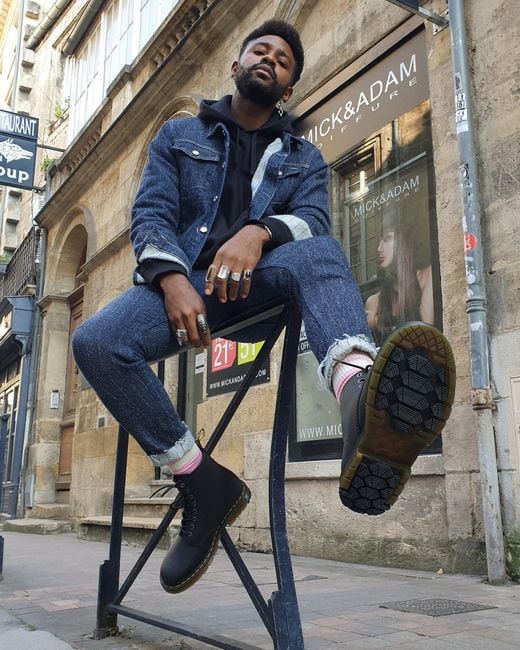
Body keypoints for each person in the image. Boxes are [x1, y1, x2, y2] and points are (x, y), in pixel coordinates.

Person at [72, 20, 455, 595]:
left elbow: (313, 222)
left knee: (321, 249)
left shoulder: (304, 157)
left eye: (282, 60)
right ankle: (200, 479)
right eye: (261, 50)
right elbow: (151, 215)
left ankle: (360, 401)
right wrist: (172, 279)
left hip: (261, 287)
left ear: (288, 88)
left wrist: (258, 233)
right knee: (94, 341)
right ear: (236, 66)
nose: (270, 60)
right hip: (185, 289)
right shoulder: (178, 135)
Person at [365, 211, 434, 344]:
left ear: (403, 241)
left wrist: (377, 321)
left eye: (387, 238)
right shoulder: (374, 301)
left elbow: (427, 335)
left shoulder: (426, 277)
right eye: (379, 241)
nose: (379, 248)